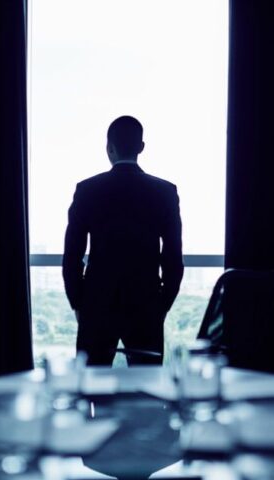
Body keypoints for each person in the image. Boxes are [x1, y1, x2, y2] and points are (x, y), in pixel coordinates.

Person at [62, 115, 184, 366]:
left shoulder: (87, 190)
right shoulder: (164, 192)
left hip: (97, 303)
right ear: (141, 147)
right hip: (146, 302)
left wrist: (78, 302)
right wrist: (162, 305)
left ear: (109, 147)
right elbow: (173, 257)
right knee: (146, 392)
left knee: (90, 388)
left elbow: (72, 255)